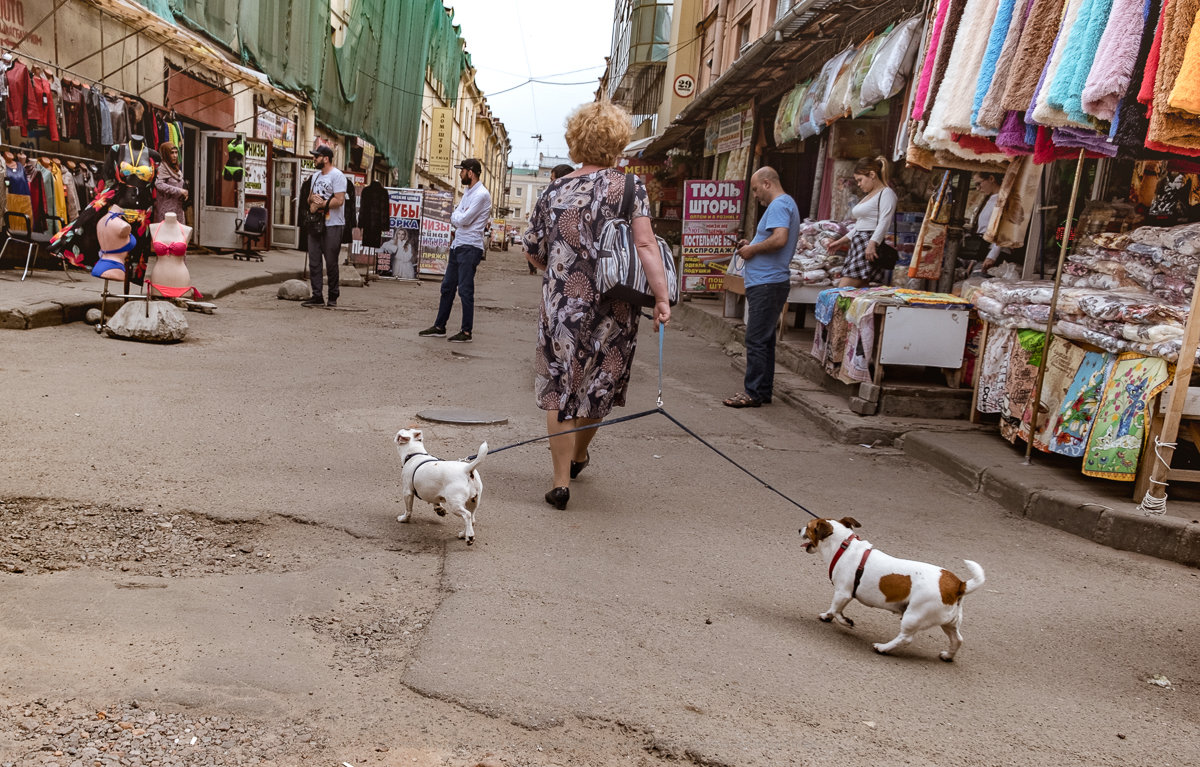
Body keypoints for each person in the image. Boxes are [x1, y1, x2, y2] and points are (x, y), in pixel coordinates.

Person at [522, 101, 672, 511]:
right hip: (615, 303)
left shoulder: (554, 189)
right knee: (598, 382)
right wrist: (661, 297)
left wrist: (561, 264)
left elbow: (534, 250)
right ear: (619, 142)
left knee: (560, 386)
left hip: (562, 306)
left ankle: (559, 482)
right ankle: (579, 456)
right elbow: (644, 244)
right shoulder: (629, 187)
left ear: (576, 141)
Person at [722, 167, 801, 409]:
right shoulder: (786, 205)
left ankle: (753, 392)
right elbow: (774, 237)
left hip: (768, 282)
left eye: (756, 189)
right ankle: (762, 390)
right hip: (768, 281)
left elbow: (779, 239)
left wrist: (752, 250)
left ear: (767, 183)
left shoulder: (778, 205)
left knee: (755, 339)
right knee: (764, 340)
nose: (755, 195)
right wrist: (752, 243)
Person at [418, 158, 492, 342]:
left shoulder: (481, 194)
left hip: (470, 247)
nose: (460, 174)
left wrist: (457, 217)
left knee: (465, 290)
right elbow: (457, 215)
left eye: (462, 170)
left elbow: (463, 219)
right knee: (447, 287)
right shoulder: (468, 192)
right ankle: (439, 326)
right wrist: (457, 217)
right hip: (458, 244)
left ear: (471, 172)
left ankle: (466, 332)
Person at [830, 156, 897, 288]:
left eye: (860, 180)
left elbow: (884, 222)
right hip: (859, 244)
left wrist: (872, 244)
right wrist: (841, 241)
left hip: (867, 243)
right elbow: (860, 226)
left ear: (872, 175)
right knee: (857, 291)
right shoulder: (870, 195)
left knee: (843, 290)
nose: (859, 184)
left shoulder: (886, 194)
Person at [301, 145, 347, 308]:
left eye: (316, 156)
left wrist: (321, 205)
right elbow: (308, 198)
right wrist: (313, 201)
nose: (314, 159)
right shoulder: (315, 177)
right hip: (315, 223)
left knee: (331, 261)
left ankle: (333, 296)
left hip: (332, 224)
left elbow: (339, 200)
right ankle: (317, 295)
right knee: (314, 260)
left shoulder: (338, 176)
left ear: (325, 159)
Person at [968, 172, 1006, 274]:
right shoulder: (989, 199)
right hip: (983, 251)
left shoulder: (1002, 200)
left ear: (991, 178)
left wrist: (992, 256)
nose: (978, 188)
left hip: (993, 253)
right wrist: (974, 260)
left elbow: (1003, 230)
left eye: (979, 184)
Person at [152, 141, 187, 224]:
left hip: (178, 210)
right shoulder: (162, 168)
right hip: (166, 212)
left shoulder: (175, 169)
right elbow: (159, 184)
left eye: (176, 153)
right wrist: (179, 191)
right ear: (166, 154)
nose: (175, 156)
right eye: (172, 153)